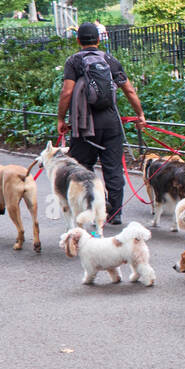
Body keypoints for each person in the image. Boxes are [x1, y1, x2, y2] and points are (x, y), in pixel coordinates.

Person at [56, 22, 146, 230]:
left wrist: (61, 118)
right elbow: (129, 90)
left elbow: (67, 92)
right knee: (113, 169)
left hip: (84, 126)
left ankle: (88, 208)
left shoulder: (74, 61)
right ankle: (114, 213)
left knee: (80, 169)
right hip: (111, 123)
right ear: (98, 39)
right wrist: (139, 114)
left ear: (78, 40)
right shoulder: (110, 60)